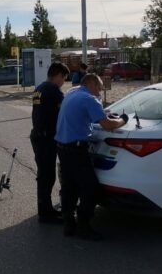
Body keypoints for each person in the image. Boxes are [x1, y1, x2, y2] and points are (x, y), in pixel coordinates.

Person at [55, 73, 127, 240]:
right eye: (99, 88)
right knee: (90, 188)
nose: (99, 93)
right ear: (92, 84)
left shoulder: (72, 92)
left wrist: (104, 114)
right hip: (76, 151)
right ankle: (84, 226)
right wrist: (122, 119)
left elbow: (85, 115)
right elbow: (108, 125)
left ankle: (68, 224)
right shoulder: (89, 99)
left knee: (69, 187)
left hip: (62, 148)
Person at [30, 61, 70, 224]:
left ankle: (45, 209)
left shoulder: (39, 88)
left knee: (43, 175)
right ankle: (46, 214)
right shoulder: (53, 90)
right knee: (47, 176)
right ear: (58, 75)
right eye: (64, 78)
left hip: (38, 136)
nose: (63, 82)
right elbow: (66, 110)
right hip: (46, 138)